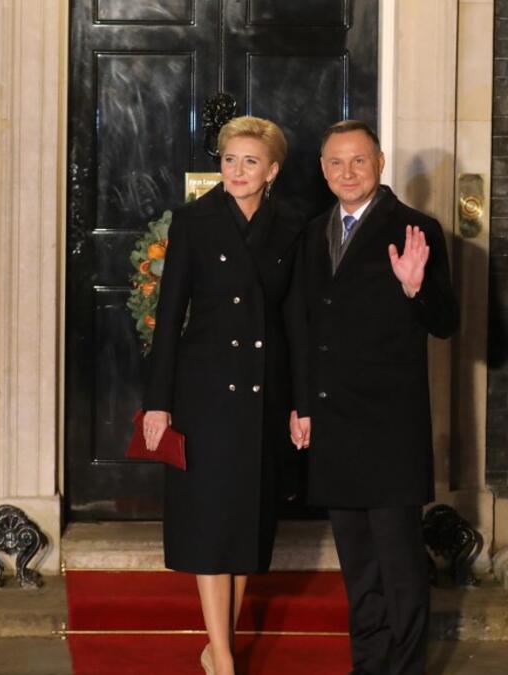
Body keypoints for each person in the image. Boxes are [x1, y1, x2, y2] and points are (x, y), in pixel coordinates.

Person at [289, 120, 458, 675]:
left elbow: (445, 322)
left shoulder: (417, 228)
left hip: (390, 426)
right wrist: (303, 404)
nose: (346, 172)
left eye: (357, 160)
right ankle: (368, 666)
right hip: (334, 421)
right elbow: (304, 325)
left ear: (380, 163)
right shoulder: (314, 232)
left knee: (399, 564)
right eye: (335, 163)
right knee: (358, 567)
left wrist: (415, 287)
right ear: (323, 169)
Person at [142, 116, 306, 675]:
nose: (237, 171)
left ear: (273, 170)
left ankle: (219, 646)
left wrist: (299, 402)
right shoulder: (194, 221)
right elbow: (168, 318)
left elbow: (296, 322)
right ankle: (226, 660)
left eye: (250, 162)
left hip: (264, 391)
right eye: (229, 159)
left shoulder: (292, 225)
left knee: (244, 524)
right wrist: (156, 402)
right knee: (211, 522)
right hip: (204, 392)